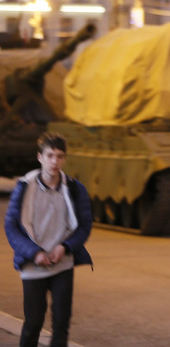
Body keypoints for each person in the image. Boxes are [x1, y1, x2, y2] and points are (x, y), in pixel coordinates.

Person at [4, 131, 93, 347]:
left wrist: (65, 247)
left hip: (62, 263)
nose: (55, 161)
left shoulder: (74, 188)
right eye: (50, 155)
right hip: (33, 265)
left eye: (60, 156)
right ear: (40, 157)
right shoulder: (25, 187)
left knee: (62, 324)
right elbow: (11, 226)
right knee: (33, 323)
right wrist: (34, 253)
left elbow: (84, 225)